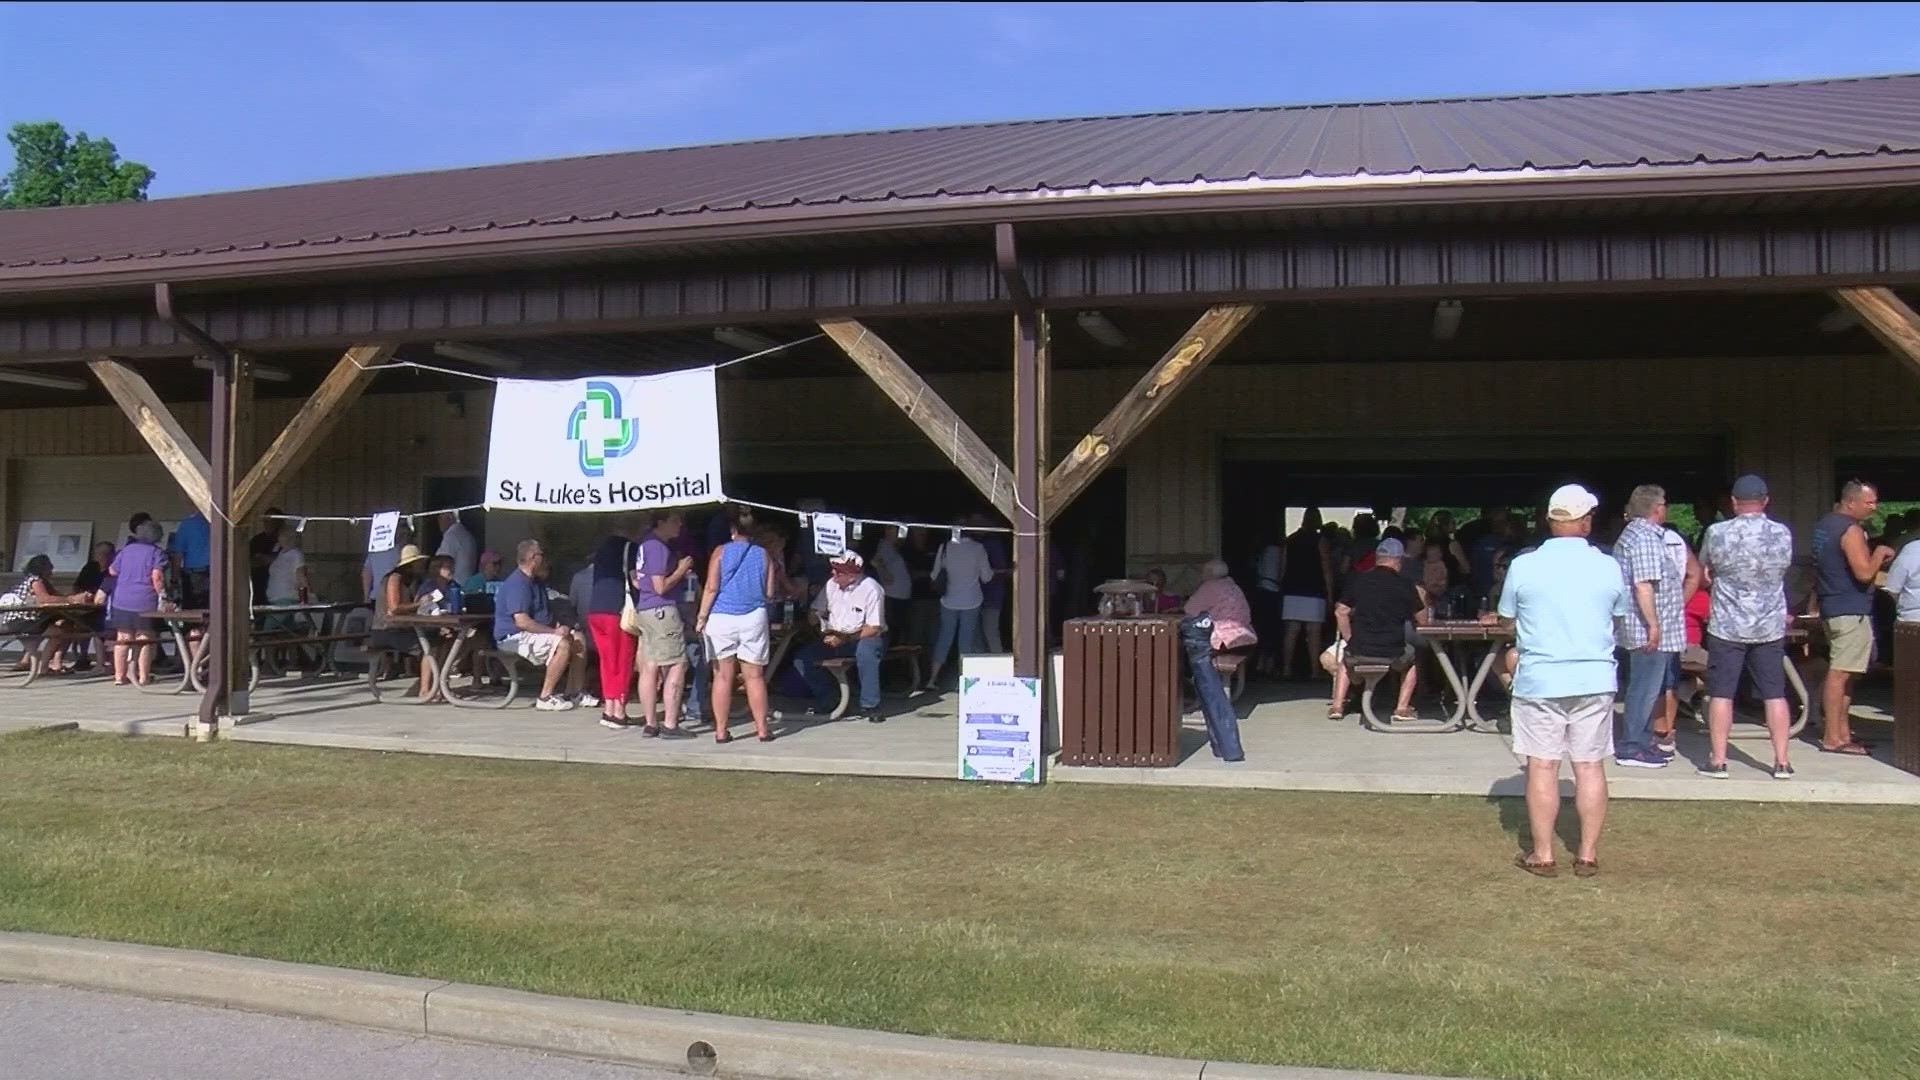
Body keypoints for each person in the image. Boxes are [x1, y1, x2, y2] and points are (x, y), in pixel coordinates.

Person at [1494, 484, 1630, 878]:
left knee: (1542, 766)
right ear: (1586, 521)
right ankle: (1586, 853)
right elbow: (1618, 613)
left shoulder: (1525, 564)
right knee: (1589, 766)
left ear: (1551, 520)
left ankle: (1543, 853)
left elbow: (1507, 617)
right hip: (1593, 675)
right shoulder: (1607, 565)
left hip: (1541, 677)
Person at [1698, 475, 1797, 780]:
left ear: (1733, 502)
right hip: (1769, 624)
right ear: (1765, 500)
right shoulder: (1781, 533)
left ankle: (1719, 760)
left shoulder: (1717, 532)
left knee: (1721, 693)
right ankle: (1781, 761)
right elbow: (1783, 569)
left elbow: (1704, 568)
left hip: (1727, 625)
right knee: (1775, 693)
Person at [1808, 480, 1894, 755]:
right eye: (1869, 502)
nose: (1874, 507)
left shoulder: (1824, 525)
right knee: (1840, 673)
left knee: (1848, 674)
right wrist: (1880, 552)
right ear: (1850, 502)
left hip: (1832, 606)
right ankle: (1833, 738)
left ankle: (1844, 733)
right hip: (1850, 610)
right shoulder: (1850, 529)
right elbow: (1863, 573)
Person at [1607, 485, 1688, 768]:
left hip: (1646, 626)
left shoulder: (1636, 534)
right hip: (1648, 629)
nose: (1666, 509)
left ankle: (1642, 742)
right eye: (1664, 504)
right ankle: (1632, 747)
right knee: (1644, 688)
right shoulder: (1644, 538)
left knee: (1646, 687)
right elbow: (1644, 584)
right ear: (1656, 508)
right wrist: (1653, 625)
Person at [696, 504, 777, 743]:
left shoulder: (720, 551)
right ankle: (763, 729)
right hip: (753, 615)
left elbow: (711, 587)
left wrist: (702, 617)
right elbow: (770, 592)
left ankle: (721, 731)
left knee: (722, 676)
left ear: (732, 528)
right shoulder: (763, 554)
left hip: (722, 616)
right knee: (754, 676)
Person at [1331, 538, 1428, 723]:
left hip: (1360, 648)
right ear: (1398, 561)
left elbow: (1340, 611)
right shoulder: (1406, 585)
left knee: (1346, 659)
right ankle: (1401, 708)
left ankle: (1337, 706)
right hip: (1393, 650)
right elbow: (1422, 620)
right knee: (1413, 660)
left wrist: (1350, 637)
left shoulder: (1359, 580)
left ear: (1377, 558)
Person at [492, 539, 593, 712]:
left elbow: (543, 613)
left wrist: (563, 626)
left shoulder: (536, 582)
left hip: (534, 632)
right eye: (542, 555)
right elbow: (522, 621)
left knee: (578, 638)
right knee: (562, 643)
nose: (546, 560)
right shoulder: (518, 584)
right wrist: (554, 631)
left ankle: (573, 691)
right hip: (514, 637)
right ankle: (545, 697)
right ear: (533, 558)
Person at [794, 552, 888, 723]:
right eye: (833, 570)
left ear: (853, 575)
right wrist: (816, 620)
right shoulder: (831, 585)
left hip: (862, 636)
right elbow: (817, 609)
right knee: (803, 659)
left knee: (867, 651)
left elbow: (874, 627)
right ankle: (830, 700)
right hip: (834, 634)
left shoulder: (872, 589)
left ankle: (870, 705)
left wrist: (845, 638)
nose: (833, 574)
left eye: (839, 572)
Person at [1181, 559, 1254, 763]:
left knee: (1210, 689)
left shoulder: (1211, 587)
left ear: (1210, 573)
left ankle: (1228, 748)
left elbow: (1190, 608)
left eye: (1203, 571)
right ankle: (1223, 746)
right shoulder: (1232, 585)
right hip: (1244, 637)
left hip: (1222, 641)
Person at [632, 510, 696, 738]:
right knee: (677, 664)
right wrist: (680, 569)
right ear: (661, 522)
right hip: (661, 610)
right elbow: (660, 586)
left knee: (650, 665)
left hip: (645, 610)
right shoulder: (657, 547)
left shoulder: (644, 544)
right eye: (675, 521)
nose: (679, 525)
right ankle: (670, 723)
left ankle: (651, 723)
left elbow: (638, 580)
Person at [920, 523, 994, 692]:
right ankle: (962, 680)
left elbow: (934, 574)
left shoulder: (944, 547)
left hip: (948, 600)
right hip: (972, 600)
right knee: (965, 642)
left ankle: (932, 679)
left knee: (944, 638)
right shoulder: (978, 548)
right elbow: (987, 577)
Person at [584, 521, 640, 729]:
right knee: (623, 661)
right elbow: (635, 580)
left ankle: (608, 708)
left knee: (607, 661)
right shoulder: (630, 548)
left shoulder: (601, 548)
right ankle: (619, 710)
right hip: (618, 609)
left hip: (596, 609)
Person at [1275, 508, 1335, 680]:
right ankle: (1315, 671)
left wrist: (1282, 587)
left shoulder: (1290, 540)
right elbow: (1326, 569)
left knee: (1291, 632)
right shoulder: (1320, 541)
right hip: (1314, 589)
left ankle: (1287, 668)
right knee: (1313, 633)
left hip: (1292, 589)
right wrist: (1330, 593)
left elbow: (1282, 567)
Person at [370, 544, 435, 700]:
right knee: (430, 647)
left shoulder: (411, 580)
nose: (422, 565)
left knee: (438, 639)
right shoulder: (395, 578)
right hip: (386, 630)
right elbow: (394, 607)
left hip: (401, 627)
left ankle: (433, 685)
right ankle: (426, 690)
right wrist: (420, 603)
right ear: (411, 564)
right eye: (419, 562)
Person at [976, 515, 1010, 653]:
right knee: (978, 634)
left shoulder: (993, 544)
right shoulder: (979, 542)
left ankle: (998, 662)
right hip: (976, 596)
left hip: (991, 595)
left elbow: (1003, 569)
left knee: (990, 631)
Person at [872, 530, 914, 639]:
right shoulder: (886, 548)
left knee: (897, 629)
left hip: (899, 594)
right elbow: (876, 563)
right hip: (893, 595)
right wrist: (884, 574)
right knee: (893, 629)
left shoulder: (893, 548)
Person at [169, 509, 211, 609]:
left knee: (193, 611)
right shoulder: (220, 523)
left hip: (194, 575)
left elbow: (178, 555)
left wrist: (174, 579)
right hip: (219, 573)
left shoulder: (187, 525)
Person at [362, 522, 413, 604]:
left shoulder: (376, 549)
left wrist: (366, 596)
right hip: (393, 596)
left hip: (378, 596)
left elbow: (366, 571)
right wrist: (366, 596)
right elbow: (367, 572)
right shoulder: (403, 551)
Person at [264, 527, 309, 606]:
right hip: (274, 599)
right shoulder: (280, 554)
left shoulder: (296, 554)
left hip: (286, 598)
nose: (279, 538)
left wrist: (307, 594)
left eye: (282, 536)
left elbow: (301, 576)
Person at [248, 507, 283, 604]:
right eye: (266, 521)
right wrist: (267, 559)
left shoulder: (284, 539)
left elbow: (282, 559)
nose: (269, 524)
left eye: (272, 521)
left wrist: (262, 557)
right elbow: (248, 562)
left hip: (279, 583)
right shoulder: (257, 540)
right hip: (259, 582)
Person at [435, 511, 480, 585]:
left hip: (455, 585)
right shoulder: (467, 535)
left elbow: (442, 563)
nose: (438, 522)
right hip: (468, 584)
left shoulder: (451, 536)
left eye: (440, 518)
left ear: (449, 518)